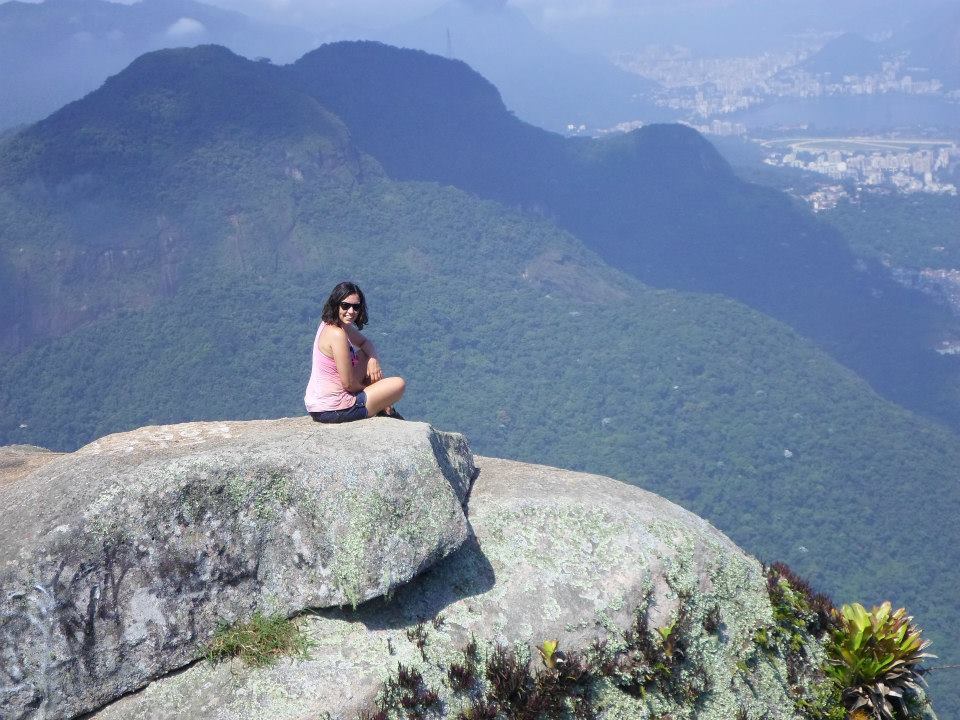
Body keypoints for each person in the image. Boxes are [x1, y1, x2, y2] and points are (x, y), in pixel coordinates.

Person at [304, 282, 406, 423]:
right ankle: (384, 408)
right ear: (336, 304)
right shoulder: (337, 335)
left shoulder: (331, 325)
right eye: (345, 306)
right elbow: (349, 385)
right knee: (399, 384)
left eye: (356, 306)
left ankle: (383, 406)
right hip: (335, 409)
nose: (351, 311)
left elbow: (365, 343)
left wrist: (372, 359)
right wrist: (375, 391)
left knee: (365, 355)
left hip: (319, 405)